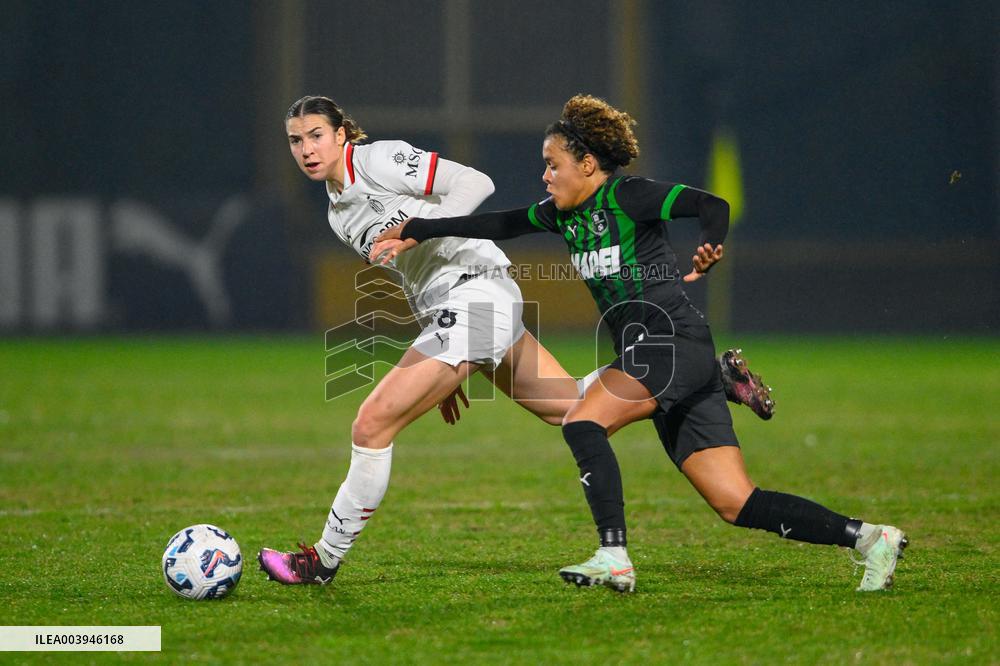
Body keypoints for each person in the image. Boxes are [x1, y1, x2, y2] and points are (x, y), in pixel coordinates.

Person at [370, 94, 907, 593]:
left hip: (669, 341)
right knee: (736, 502)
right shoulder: (562, 215)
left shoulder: (628, 196)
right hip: (670, 358)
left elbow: (712, 204)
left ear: (587, 164)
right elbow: (500, 221)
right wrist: (420, 227)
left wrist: (710, 247)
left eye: (553, 163)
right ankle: (869, 537)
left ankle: (613, 556)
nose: (545, 173)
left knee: (582, 421)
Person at [259, 95, 772, 587]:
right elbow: (415, 278)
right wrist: (438, 344)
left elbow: (473, 184)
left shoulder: (378, 159)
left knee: (370, 424)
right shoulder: (337, 213)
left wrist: (418, 227)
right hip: (461, 311)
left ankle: (323, 560)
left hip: (478, 298)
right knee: (567, 406)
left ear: (341, 134)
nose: (306, 149)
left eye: (316, 135)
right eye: (295, 140)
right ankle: (714, 374)